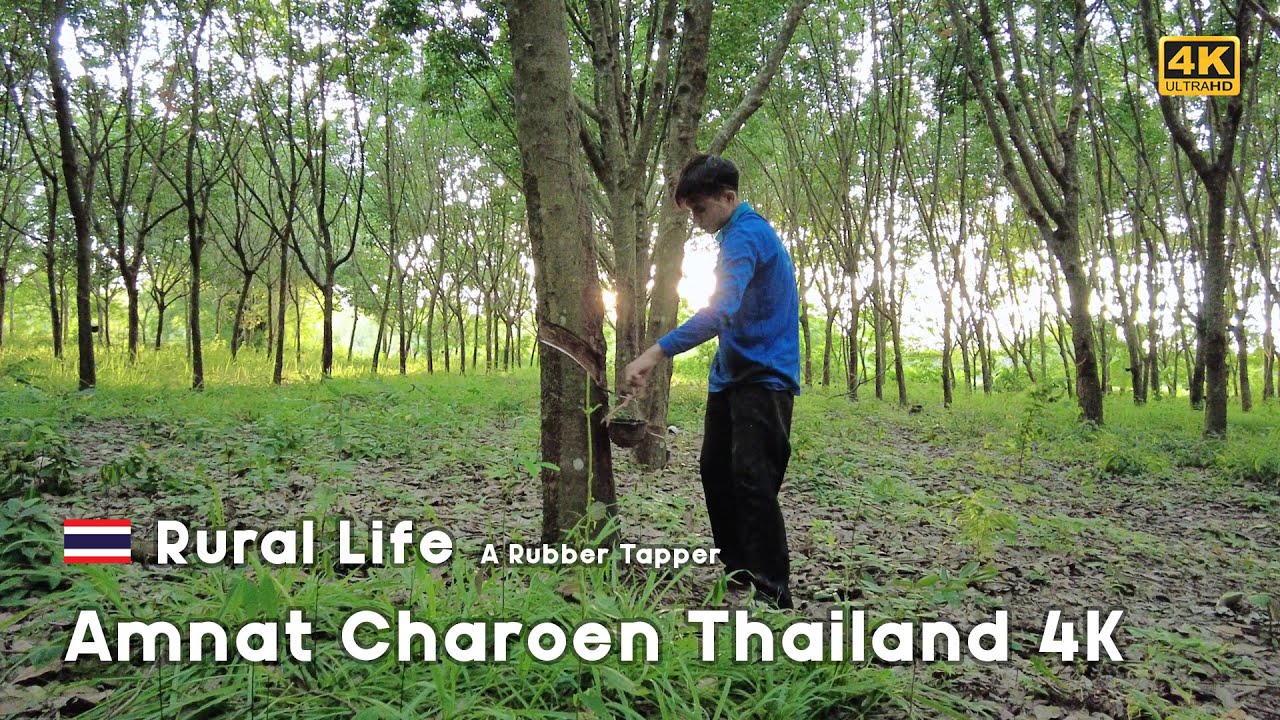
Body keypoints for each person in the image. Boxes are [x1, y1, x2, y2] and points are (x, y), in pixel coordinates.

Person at [624, 154, 800, 610]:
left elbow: (720, 311)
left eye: (701, 209)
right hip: (731, 376)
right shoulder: (731, 235)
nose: (698, 221)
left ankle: (772, 592)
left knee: (752, 479)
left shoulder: (746, 235)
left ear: (729, 197)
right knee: (715, 470)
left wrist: (653, 353)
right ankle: (739, 569)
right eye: (692, 211)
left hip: (764, 377)